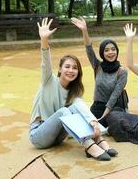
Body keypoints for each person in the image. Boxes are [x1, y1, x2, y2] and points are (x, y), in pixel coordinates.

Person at [29, 18, 117, 161]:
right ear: (60, 69)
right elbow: (45, 62)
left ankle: (99, 139)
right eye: (67, 67)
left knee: (76, 107)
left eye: (75, 68)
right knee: (64, 111)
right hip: (39, 135)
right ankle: (89, 145)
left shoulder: (73, 91)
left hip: (58, 138)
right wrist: (44, 40)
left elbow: (81, 106)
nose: (71, 70)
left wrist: (93, 122)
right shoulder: (48, 81)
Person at [71, 17, 128, 127]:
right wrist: (84, 30)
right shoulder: (98, 66)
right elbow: (89, 49)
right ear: (102, 53)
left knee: (109, 124)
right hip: (97, 106)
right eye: (106, 50)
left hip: (114, 107)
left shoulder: (122, 72)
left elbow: (114, 97)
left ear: (117, 51)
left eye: (113, 49)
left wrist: (103, 117)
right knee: (85, 124)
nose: (110, 52)